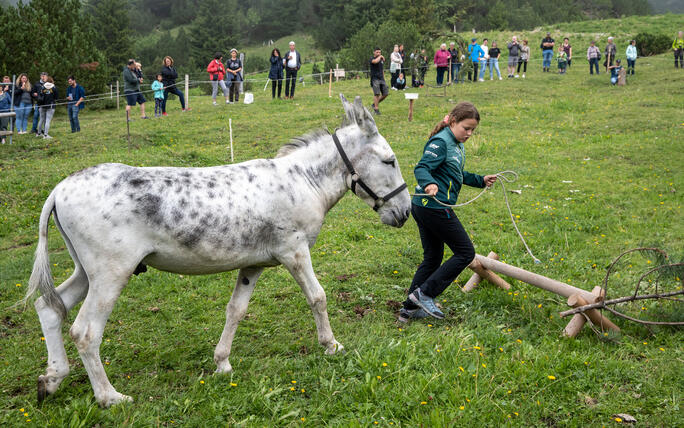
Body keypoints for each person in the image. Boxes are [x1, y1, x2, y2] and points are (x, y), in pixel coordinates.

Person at [398, 102, 497, 322]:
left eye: (473, 130)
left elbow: (456, 173)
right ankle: (425, 294)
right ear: (452, 122)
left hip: (428, 208)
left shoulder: (456, 143)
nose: (469, 133)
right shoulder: (441, 142)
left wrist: (480, 180)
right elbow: (422, 167)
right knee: (465, 253)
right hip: (434, 207)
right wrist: (428, 184)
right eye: (466, 128)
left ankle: (408, 310)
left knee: (433, 258)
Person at [369, 47, 388, 115]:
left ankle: (374, 104)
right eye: (377, 52)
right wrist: (380, 57)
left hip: (381, 78)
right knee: (377, 94)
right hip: (375, 79)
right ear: (374, 52)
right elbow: (375, 61)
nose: (379, 53)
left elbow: (382, 69)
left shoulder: (380, 60)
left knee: (385, 93)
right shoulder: (372, 58)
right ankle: (376, 109)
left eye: (380, 52)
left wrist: (384, 78)